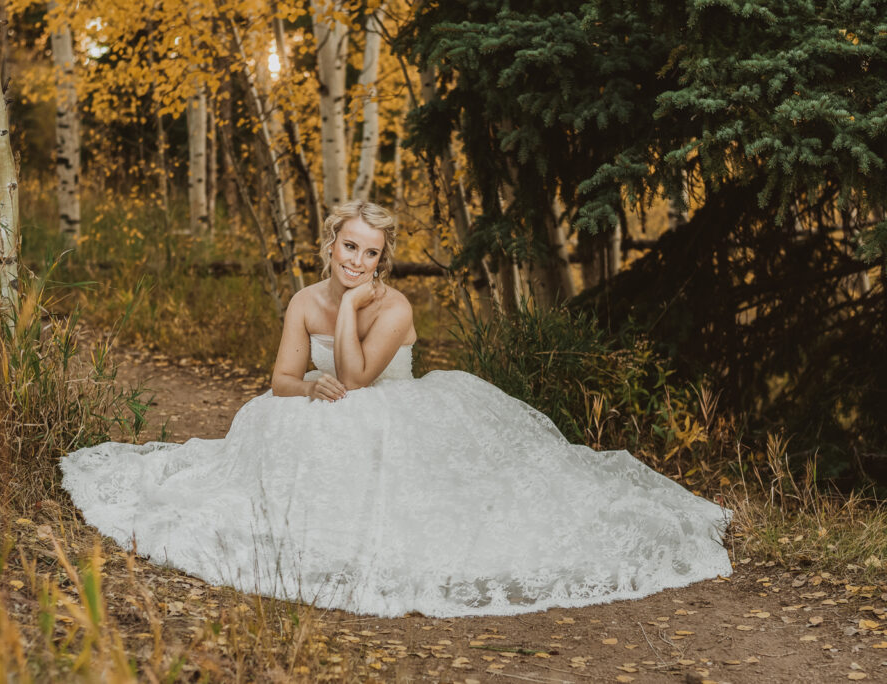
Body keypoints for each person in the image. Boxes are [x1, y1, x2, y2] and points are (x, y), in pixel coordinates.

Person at [61, 200, 732, 618]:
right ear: (331, 244)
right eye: (348, 247)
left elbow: (357, 376)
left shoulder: (393, 305)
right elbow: (283, 378)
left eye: (371, 254)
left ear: (383, 261)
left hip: (400, 415)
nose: (357, 260)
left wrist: (351, 309)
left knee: (399, 461)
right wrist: (308, 389)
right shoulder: (301, 301)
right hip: (332, 414)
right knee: (270, 417)